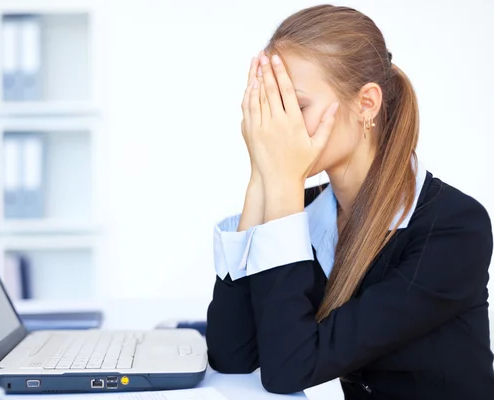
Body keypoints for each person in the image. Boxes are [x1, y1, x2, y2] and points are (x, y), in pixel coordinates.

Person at [206, 4, 494, 399]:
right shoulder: (299, 209)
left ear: (367, 104)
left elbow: (290, 369)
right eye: (273, 108)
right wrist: (262, 176)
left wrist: (283, 184)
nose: (278, 126)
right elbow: (233, 354)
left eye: (296, 106)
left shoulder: (454, 229)